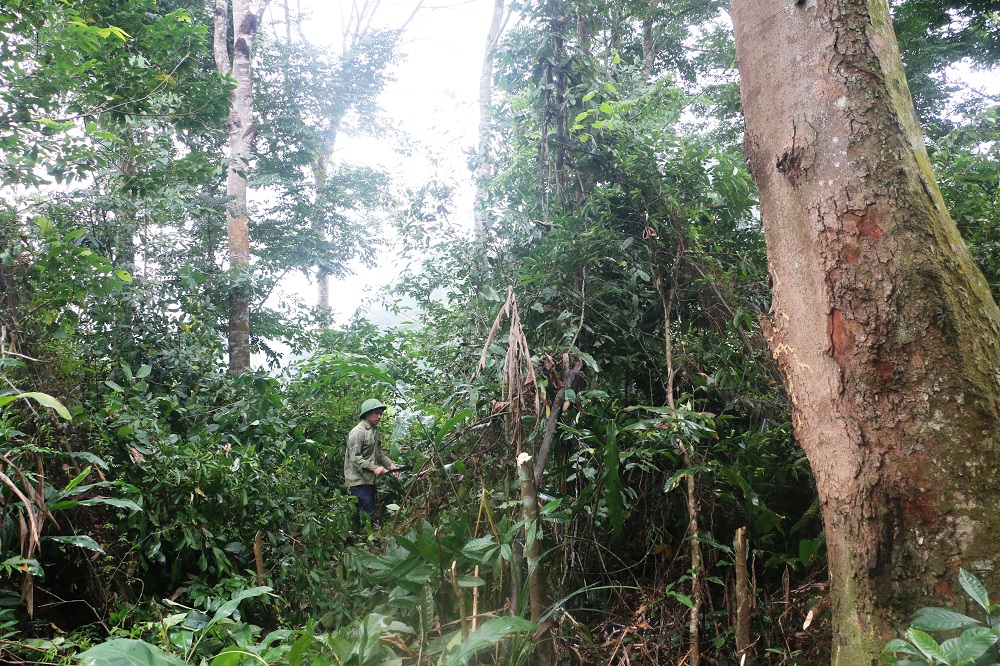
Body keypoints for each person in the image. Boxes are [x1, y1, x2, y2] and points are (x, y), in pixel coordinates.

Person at [344, 398, 398, 526]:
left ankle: (357, 538)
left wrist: (390, 464)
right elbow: (355, 458)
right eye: (376, 413)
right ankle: (367, 542)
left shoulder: (373, 431)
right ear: (367, 413)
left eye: (380, 413)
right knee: (366, 513)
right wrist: (374, 468)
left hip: (368, 479)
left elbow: (378, 454)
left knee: (362, 512)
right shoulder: (358, 432)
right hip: (358, 480)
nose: (379, 416)